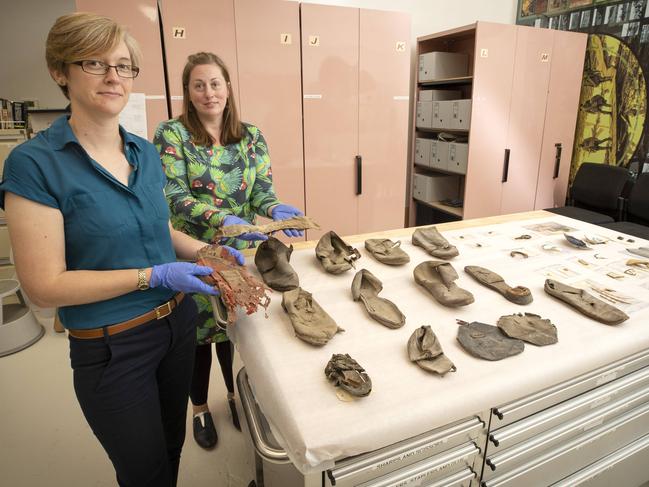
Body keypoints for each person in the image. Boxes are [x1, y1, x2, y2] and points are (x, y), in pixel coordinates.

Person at [0, 13, 243, 487]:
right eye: (95, 63)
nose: (114, 77)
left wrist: (204, 251)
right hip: (113, 347)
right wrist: (151, 276)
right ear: (60, 71)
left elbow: (159, 229)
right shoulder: (35, 164)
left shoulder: (143, 152)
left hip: (176, 327)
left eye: (124, 65)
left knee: (172, 450)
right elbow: (44, 287)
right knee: (143, 471)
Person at [153, 51, 303, 449]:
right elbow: (174, 195)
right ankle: (200, 407)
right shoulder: (172, 135)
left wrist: (271, 208)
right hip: (194, 251)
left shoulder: (250, 136)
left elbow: (260, 191)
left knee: (232, 328)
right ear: (187, 91)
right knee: (199, 336)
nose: (208, 93)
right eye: (198, 85)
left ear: (228, 87)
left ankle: (235, 394)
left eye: (215, 83)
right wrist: (222, 220)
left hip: (240, 252)